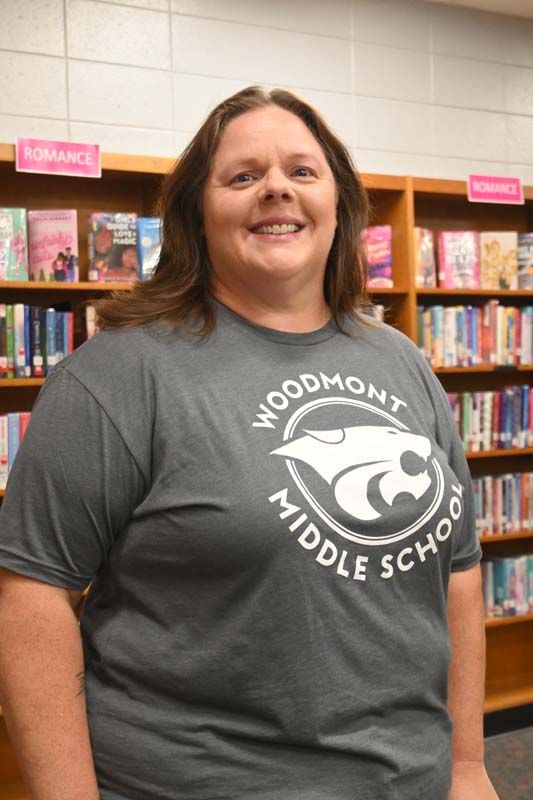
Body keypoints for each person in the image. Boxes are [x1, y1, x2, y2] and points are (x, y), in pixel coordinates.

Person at [0, 86, 499, 800]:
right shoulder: (118, 373)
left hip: (413, 779)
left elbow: (458, 571)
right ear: (197, 219)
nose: (276, 189)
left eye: (302, 171)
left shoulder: (401, 360)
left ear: (339, 205)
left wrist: (467, 764)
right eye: (242, 176)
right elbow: (30, 594)